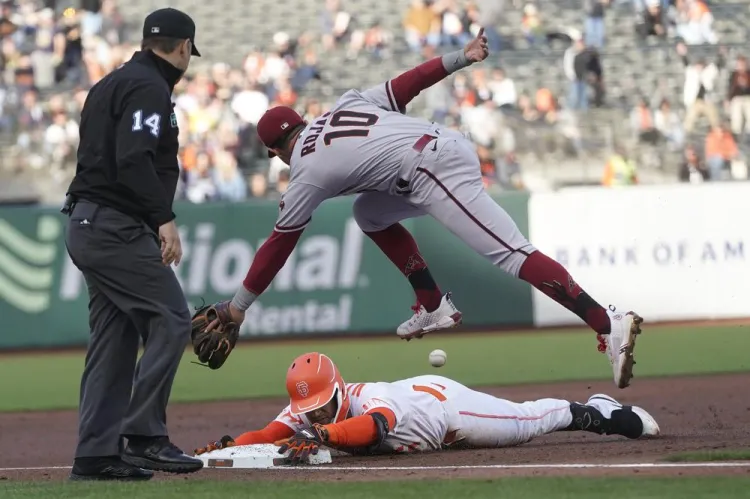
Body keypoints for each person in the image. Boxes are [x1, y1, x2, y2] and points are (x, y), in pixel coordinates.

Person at [209, 28, 644, 391]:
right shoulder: (345, 105)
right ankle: (432, 302)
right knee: (370, 213)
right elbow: (406, 84)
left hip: (431, 167)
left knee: (511, 253)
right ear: (302, 121)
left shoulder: (305, 168)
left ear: (274, 150)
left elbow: (278, 244)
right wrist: (461, 57)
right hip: (432, 152)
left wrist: (239, 305)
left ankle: (607, 322)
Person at [61, 7, 204, 481]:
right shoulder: (148, 86)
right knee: (171, 318)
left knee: (114, 340)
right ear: (183, 48)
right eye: (189, 52)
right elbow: (133, 158)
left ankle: (95, 454)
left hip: (89, 221)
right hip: (115, 225)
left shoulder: (113, 82)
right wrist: (163, 218)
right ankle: (145, 436)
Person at [194, 352, 660, 462]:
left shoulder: (370, 400)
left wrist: (323, 436)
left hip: (444, 409)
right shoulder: (307, 409)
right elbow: (269, 433)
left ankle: (596, 412)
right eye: (310, 411)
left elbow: (376, 428)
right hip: (418, 395)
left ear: (338, 389)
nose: (315, 416)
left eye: (322, 407)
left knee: (527, 421)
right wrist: (225, 449)